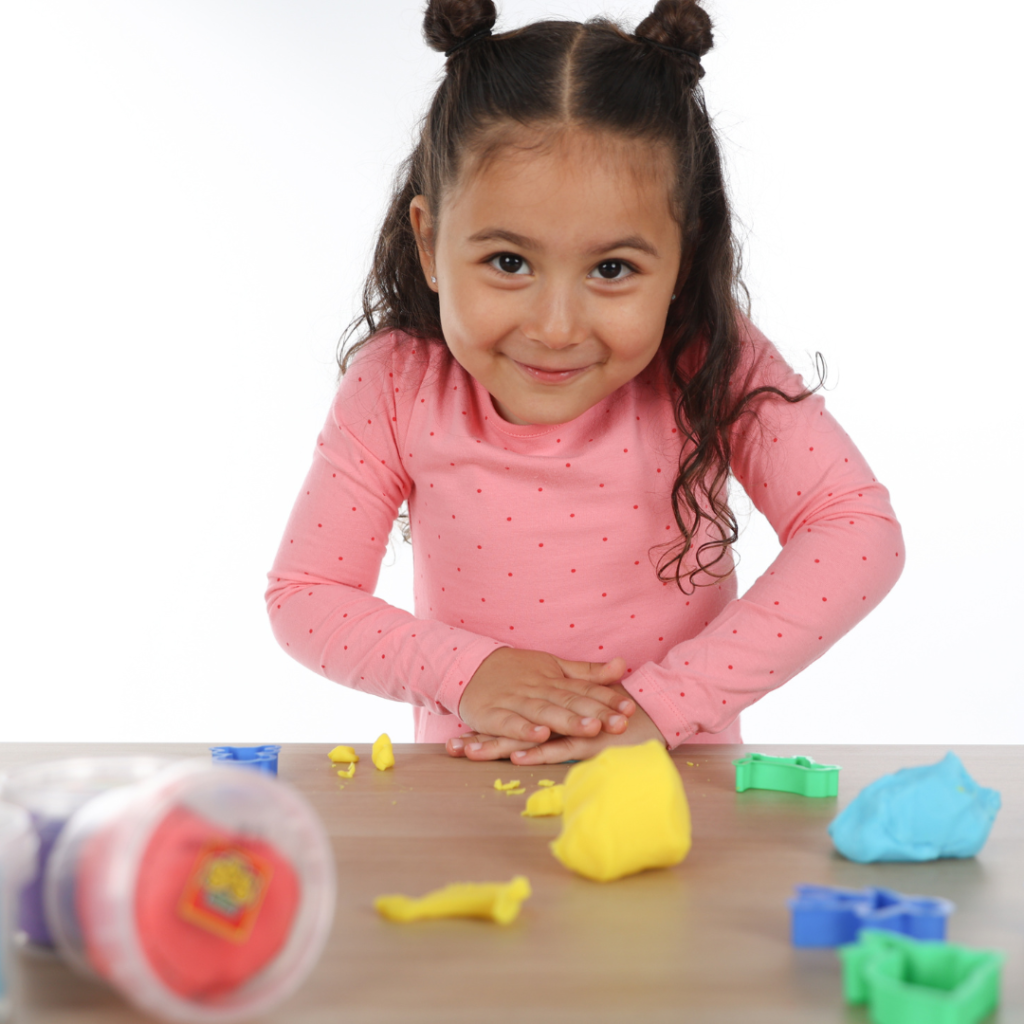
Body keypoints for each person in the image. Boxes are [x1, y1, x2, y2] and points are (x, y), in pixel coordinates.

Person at [266, 0, 903, 766]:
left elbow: (855, 530)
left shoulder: (709, 357)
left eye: (612, 269)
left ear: (681, 263)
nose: (557, 326)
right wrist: (468, 673)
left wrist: (662, 704)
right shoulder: (398, 383)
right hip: (467, 806)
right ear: (431, 243)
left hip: (677, 801)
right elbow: (306, 595)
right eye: (509, 262)